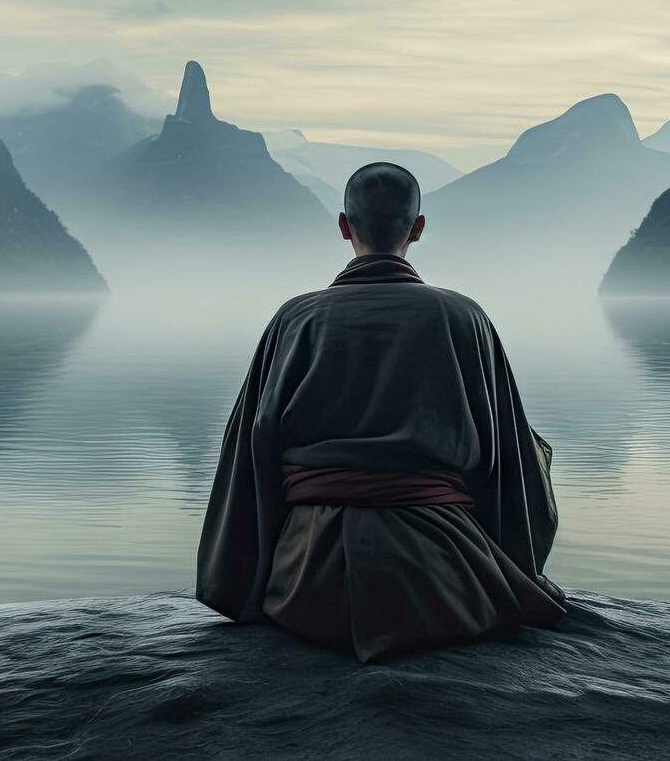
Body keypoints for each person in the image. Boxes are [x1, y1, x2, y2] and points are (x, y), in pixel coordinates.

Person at [196, 162, 566, 662]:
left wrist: (244, 583)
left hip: (306, 585)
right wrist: (513, 567)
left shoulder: (295, 319)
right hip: (444, 581)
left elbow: (250, 458)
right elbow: (509, 466)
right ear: (418, 228)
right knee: (530, 448)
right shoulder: (463, 317)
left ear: (344, 226)